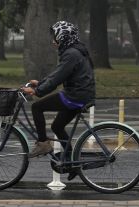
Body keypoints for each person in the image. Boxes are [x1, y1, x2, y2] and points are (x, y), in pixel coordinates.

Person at [22, 21, 95, 158]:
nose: (53, 40)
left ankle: (43, 144)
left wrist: (37, 91)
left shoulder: (71, 54)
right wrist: (40, 83)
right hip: (80, 94)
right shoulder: (74, 51)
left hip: (75, 96)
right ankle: (70, 161)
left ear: (63, 37)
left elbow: (57, 78)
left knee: (37, 107)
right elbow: (57, 73)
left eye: (55, 36)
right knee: (57, 126)